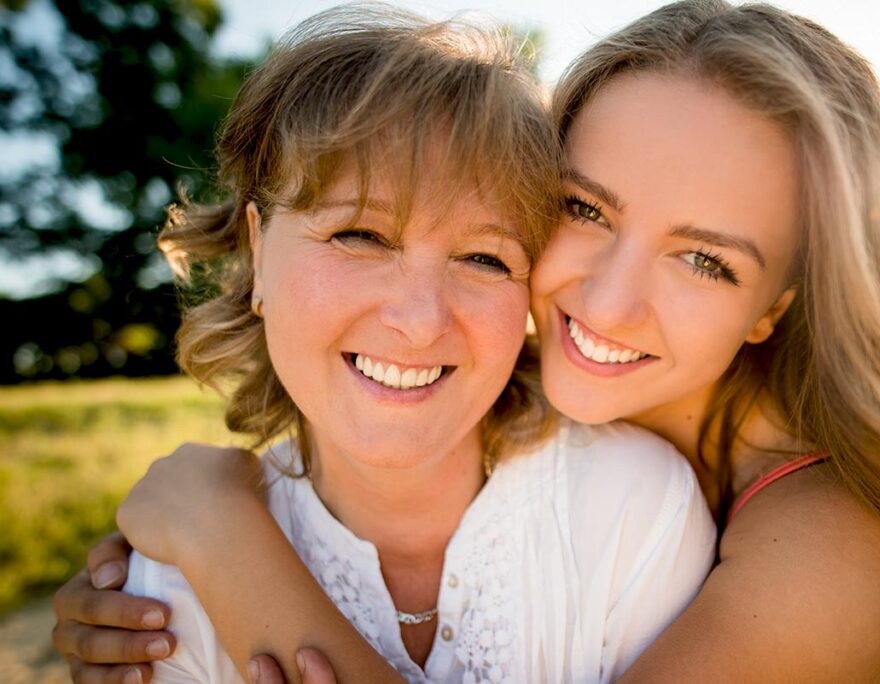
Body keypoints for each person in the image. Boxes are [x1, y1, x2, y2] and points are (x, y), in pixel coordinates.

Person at [53, 1, 880, 682]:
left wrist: (220, 536)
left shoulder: (828, 548)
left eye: (706, 262)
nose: (605, 297)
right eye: (583, 209)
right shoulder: (535, 388)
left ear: (777, 303)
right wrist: (151, 591)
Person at [49, 5, 721, 684]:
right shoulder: (164, 595)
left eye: (485, 258)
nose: (421, 321)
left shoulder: (631, 507)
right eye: (360, 236)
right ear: (257, 253)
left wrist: (221, 535)